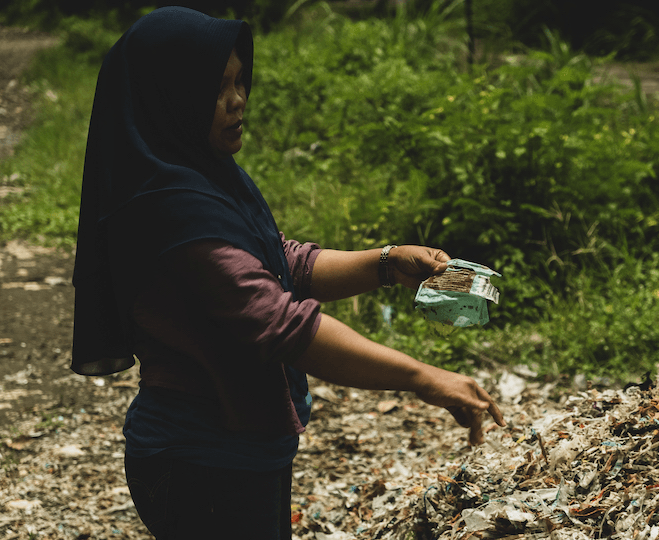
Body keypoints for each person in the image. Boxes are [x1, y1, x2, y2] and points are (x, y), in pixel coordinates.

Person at [70, 6, 504, 539]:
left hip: (242, 448)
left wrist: (388, 263)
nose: (237, 99)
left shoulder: (205, 177)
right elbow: (276, 322)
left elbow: (282, 263)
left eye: (239, 81)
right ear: (171, 97)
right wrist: (425, 379)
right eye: (217, 87)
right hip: (199, 461)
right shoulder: (168, 209)